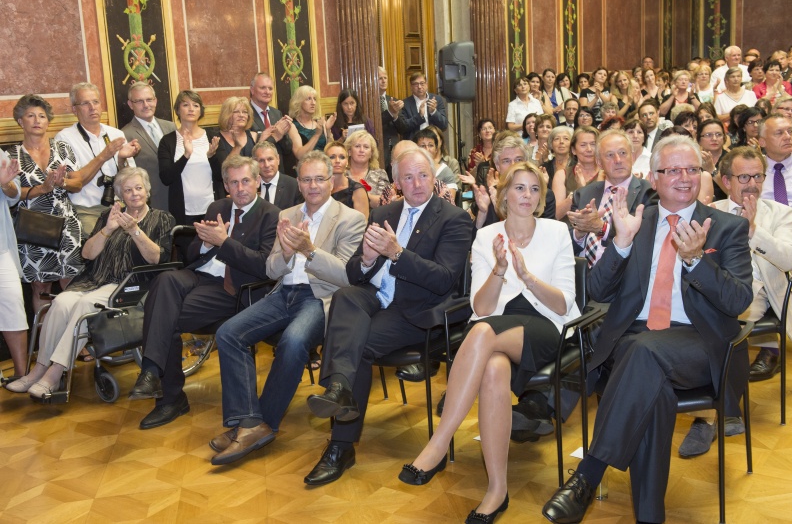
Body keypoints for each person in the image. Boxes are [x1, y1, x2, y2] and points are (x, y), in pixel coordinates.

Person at [541, 135, 753, 524]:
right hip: (636, 341)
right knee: (651, 385)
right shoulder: (635, 221)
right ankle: (649, 517)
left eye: (692, 169)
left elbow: (740, 301)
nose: (685, 178)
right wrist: (619, 242)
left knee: (643, 353)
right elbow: (600, 291)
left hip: (698, 343)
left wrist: (695, 262)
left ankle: (587, 476)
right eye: (672, 170)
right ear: (653, 178)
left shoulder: (727, 227)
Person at [400, 162, 580, 523]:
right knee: (494, 367)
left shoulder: (557, 232)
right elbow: (481, 307)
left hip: (546, 325)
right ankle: (497, 490)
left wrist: (526, 276)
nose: (526, 195)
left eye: (533, 188)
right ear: (504, 195)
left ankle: (440, 441)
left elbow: (563, 303)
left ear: (541, 196)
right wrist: (500, 270)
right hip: (497, 327)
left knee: (481, 333)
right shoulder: (486, 237)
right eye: (519, 188)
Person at [302, 147, 472, 486]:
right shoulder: (385, 212)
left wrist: (397, 253)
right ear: (396, 182)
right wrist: (365, 260)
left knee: (356, 346)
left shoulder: (454, 219)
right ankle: (338, 388)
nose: (417, 183)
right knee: (345, 295)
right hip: (374, 298)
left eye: (423, 175)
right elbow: (354, 273)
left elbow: (443, 278)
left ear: (434, 177)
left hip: (415, 310)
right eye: (408, 177)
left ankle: (340, 443)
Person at [208, 151, 366, 466]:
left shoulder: (351, 219)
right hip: (283, 294)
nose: (313, 185)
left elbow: (346, 276)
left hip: (321, 299)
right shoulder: (288, 214)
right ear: (299, 182)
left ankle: (258, 424)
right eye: (306, 179)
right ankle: (250, 420)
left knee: (293, 343)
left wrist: (309, 249)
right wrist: (287, 254)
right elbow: (270, 270)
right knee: (228, 333)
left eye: (320, 179)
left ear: (331, 182)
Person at [128, 156, 280, 429]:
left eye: (246, 180)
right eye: (234, 182)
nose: (240, 188)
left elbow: (264, 267)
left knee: (164, 318)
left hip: (234, 289)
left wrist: (223, 242)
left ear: (257, 181)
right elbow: (191, 253)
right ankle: (155, 376)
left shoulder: (271, 215)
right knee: (164, 280)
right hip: (199, 275)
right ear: (226, 186)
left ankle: (163, 390)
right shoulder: (217, 207)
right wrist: (207, 245)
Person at [7, 167, 174, 397]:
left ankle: (55, 374)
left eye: (138, 188)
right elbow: (87, 254)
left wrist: (135, 231)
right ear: (120, 195)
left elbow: (157, 257)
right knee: (62, 302)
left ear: (147, 190)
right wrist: (108, 229)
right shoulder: (108, 216)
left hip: (128, 285)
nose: (134, 193)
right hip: (94, 280)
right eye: (128, 190)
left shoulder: (161, 218)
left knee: (85, 306)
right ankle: (39, 368)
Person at [677, 147, 792, 457]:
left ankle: (711, 414)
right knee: (705, 311)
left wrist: (753, 230)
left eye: (757, 176)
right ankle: (721, 402)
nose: (752, 184)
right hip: (712, 288)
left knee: (728, 313)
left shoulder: (780, 213)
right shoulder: (707, 211)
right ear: (725, 180)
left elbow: (790, 259)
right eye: (743, 176)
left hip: (759, 292)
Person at [8, 95, 84, 314]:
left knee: (72, 283)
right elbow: (10, 194)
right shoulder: (12, 155)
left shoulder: (62, 149)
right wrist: (41, 189)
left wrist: (63, 182)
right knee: (41, 286)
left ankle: (77, 343)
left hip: (66, 224)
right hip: (33, 228)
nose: (37, 120)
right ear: (21, 122)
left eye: (42, 116)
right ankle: (46, 342)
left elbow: (77, 183)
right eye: (30, 115)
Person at [55, 83, 139, 234]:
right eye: (85, 103)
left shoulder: (115, 134)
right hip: (87, 210)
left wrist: (121, 159)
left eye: (95, 102)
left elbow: (130, 178)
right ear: (74, 109)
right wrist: (104, 155)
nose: (92, 107)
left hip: (119, 206)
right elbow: (74, 182)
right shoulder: (64, 137)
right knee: (99, 252)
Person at [567, 130, 656, 268]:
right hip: (582, 277)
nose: (618, 160)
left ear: (632, 156)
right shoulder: (583, 193)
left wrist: (601, 228)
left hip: (623, 277)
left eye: (623, 153)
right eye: (610, 155)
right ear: (599, 163)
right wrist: (579, 233)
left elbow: (644, 241)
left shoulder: (648, 192)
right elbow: (566, 245)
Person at [158, 90, 222, 227]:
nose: (191, 109)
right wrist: (186, 156)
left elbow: (222, 176)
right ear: (178, 110)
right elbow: (166, 178)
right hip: (183, 212)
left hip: (212, 209)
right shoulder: (168, 141)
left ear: (201, 111)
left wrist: (211, 157)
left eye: (196, 105)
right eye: (186, 105)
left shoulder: (213, 137)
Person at [121, 81, 176, 212]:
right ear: (130, 105)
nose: (146, 105)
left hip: (178, 198)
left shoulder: (171, 127)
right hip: (152, 203)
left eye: (149, 100)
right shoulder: (125, 134)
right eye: (139, 101)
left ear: (155, 101)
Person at [0, 155, 28, 383]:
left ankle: (22, 375)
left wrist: (5, 183)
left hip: (1, 247)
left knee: (13, 305)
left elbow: (14, 194)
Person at [248, 72, 293, 174]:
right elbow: (248, 152)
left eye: (270, 88)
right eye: (263, 88)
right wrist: (275, 136)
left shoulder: (276, 113)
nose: (267, 92)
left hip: (278, 174)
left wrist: (283, 133)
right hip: (257, 175)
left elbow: (288, 149)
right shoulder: (244, 114)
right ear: (252, 90)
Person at [552, 126, 601, 220]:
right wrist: (577, 193)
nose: (589, 149)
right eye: (583, 145)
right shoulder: (562, 175)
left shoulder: (606, 173)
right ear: (573, 150)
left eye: (593, 144)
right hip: (569, 229)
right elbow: (556, 215)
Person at [344, 129, 389, 209]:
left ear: (371, 153)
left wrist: (358, 194)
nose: (361, 150)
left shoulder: (380, 174)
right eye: (357, 146)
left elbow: (384, 202)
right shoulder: (342, 175)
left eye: (366, 147)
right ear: (349, 151)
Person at [287, 86, 336, 160]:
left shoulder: (319, 122)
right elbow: (300, 156)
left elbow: (331, 151)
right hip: (306, 169)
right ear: (299, 102)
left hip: (324, 167)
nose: (313, 103)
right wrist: (317, 135)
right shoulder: (292, 125)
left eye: (314, 99)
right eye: (308, 99)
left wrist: (328, 130)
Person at [252, 141, 302, 210]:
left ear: (278, 159)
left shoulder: (294, 186)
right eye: (261, 161)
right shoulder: (251, 186)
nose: (267, 165)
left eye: (270, 159)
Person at [325, 141, 369, 218]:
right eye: (332, 157)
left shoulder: (357, 190)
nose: (337, 161)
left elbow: (362, 224)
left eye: (342, 157)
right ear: (324, 161)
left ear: (347, 162)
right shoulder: (319, 188)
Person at [378, 66, 409, 172]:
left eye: (385, 78)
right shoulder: (369, 103)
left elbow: (403, 129)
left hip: (394, 149)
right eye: (380, 78)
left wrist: (395, 115)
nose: (383, 81)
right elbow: (375, 123)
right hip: (379, 150)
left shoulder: (393, 101)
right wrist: (390, 112)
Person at [399, 73, 448, 139]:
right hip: (414, 143)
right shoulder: (405, 103)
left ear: (426, 84)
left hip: (433, 141)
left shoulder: (437, 99)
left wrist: (433, 112)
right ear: (411, 87)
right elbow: (403, 128)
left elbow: (444, 125)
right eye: (416, 84)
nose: (419, 87)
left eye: (422, 83)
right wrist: (419, 116)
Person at [214, 97, 259, 164]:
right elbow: (225, 169)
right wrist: (237, 147)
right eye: (236, 112)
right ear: (226, 114)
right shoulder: (216, 139)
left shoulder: (254, 136)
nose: (241, 115)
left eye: (244, 112)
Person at [698, 118, 730, 201]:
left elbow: (734, 193)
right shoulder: (693, 161)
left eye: (719, 134)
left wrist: (712, 171)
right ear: (699, 140)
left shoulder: (732, 160)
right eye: (709, 135)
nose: (714, 138)